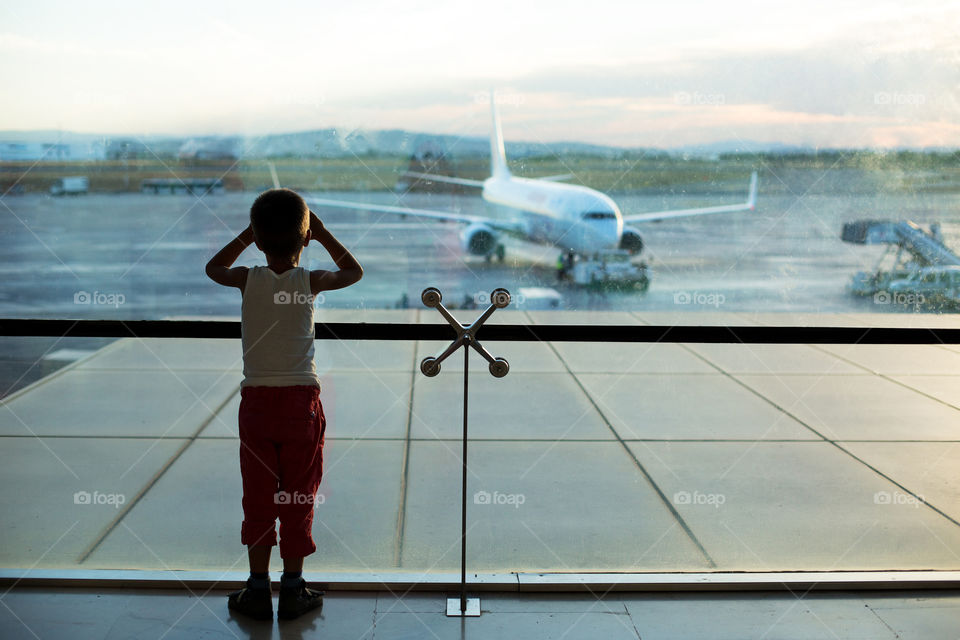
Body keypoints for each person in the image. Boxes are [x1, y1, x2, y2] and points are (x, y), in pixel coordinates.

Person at [205, 188, 363, 621]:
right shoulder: (308, 282)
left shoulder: (247, 279)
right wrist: (325, 234)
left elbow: (213, 267)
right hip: (300, 403)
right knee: (297, 495)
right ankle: (293, 589)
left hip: (255, 403)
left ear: (257, 238)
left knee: (257, 496)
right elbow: (353, 271)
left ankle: (257, 590)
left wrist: (247, 234)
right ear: (305, 238)